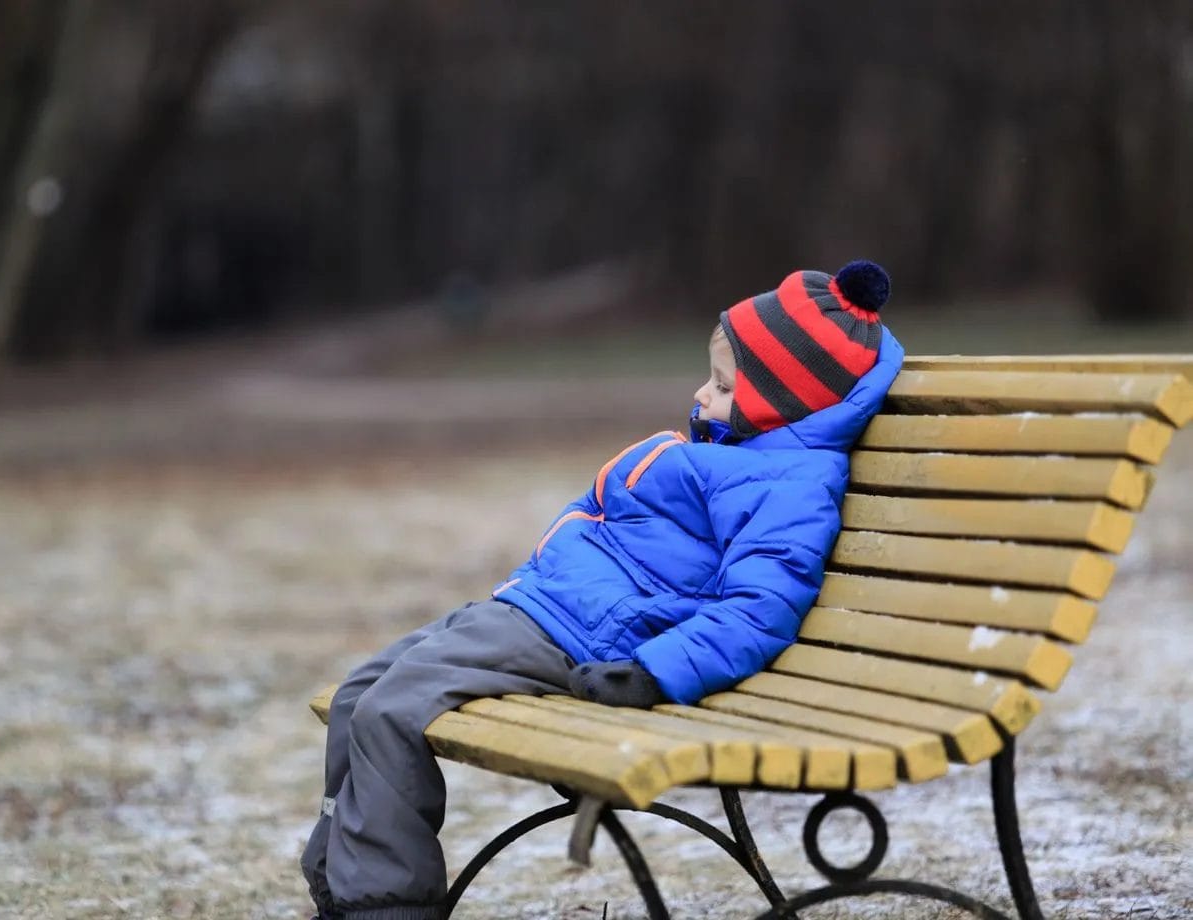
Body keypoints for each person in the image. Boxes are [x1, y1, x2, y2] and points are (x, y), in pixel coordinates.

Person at [301, 261, 905, 920]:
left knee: (393, 710)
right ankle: (339, 881)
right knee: (362, 692)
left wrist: (653, 671)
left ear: (782, 398)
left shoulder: (785, 489)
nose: (703, 396)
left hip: (581, 634)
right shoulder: (744, 457)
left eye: (724, 384)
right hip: (545, 606)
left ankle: (384, 907)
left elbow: (760, 610)